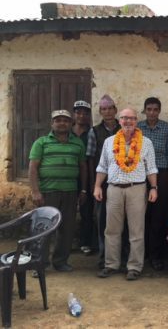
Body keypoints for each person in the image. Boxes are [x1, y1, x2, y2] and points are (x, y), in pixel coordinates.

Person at [94, 108, 158, 281]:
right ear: (119, 121)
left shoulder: (146, 143)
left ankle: (135, 266)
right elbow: (102, 167)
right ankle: (111, 264)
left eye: (131, 118)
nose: (128, 121)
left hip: (137, 188)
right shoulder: (109, 142)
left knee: (137, 230)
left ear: (136, 121)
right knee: (112, 229)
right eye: (124, 118)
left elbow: (151, 168)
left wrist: (153, 188)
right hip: (113, 189)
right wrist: (97, 186)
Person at [29, 109, 87, 272]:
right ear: (52, 123)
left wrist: (83, 190)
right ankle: (39, 263)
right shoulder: (41, 142)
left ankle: (60, 262)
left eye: (65, 120)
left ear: (71, 123)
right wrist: (35, 191)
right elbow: (33, 168)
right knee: (43, 228)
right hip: (48, 192)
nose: (62, 123)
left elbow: (83, 168)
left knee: (67, 229)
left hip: (70, 192)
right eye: (58, 120)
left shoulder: (78, 143)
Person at [138, 97, 168, 270]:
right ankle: (141, 254)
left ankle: (155, 255)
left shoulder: (167, 128)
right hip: (139, 175)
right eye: (149, 109)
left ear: (159, 111)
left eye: (155, 109)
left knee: (158, 216)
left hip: (161, 174)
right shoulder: (138, 127)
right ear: (144, 110)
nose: (152, 112)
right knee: (139, 216)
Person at [86, 94, 121, 269]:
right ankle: (104, 258)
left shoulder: (124, 129)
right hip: (102, 182)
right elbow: (91, 159)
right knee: (102, 221)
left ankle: (121, 257)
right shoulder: (94, 132)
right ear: (100, 112)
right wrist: (95, 185)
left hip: (122, 181)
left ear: (115, 110)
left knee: (122, 222)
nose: (107, 112)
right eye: (104, 109)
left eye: (110, 108)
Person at [72, 100, 94, 256]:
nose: (81, 116)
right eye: (78, 112)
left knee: (87, 211)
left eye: (85, 113)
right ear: (74, 114)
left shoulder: (92, 133)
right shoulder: (66, 132)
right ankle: (66, 242)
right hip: (69, 177)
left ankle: (85, 242)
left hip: (87, 177)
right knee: (66, 212)